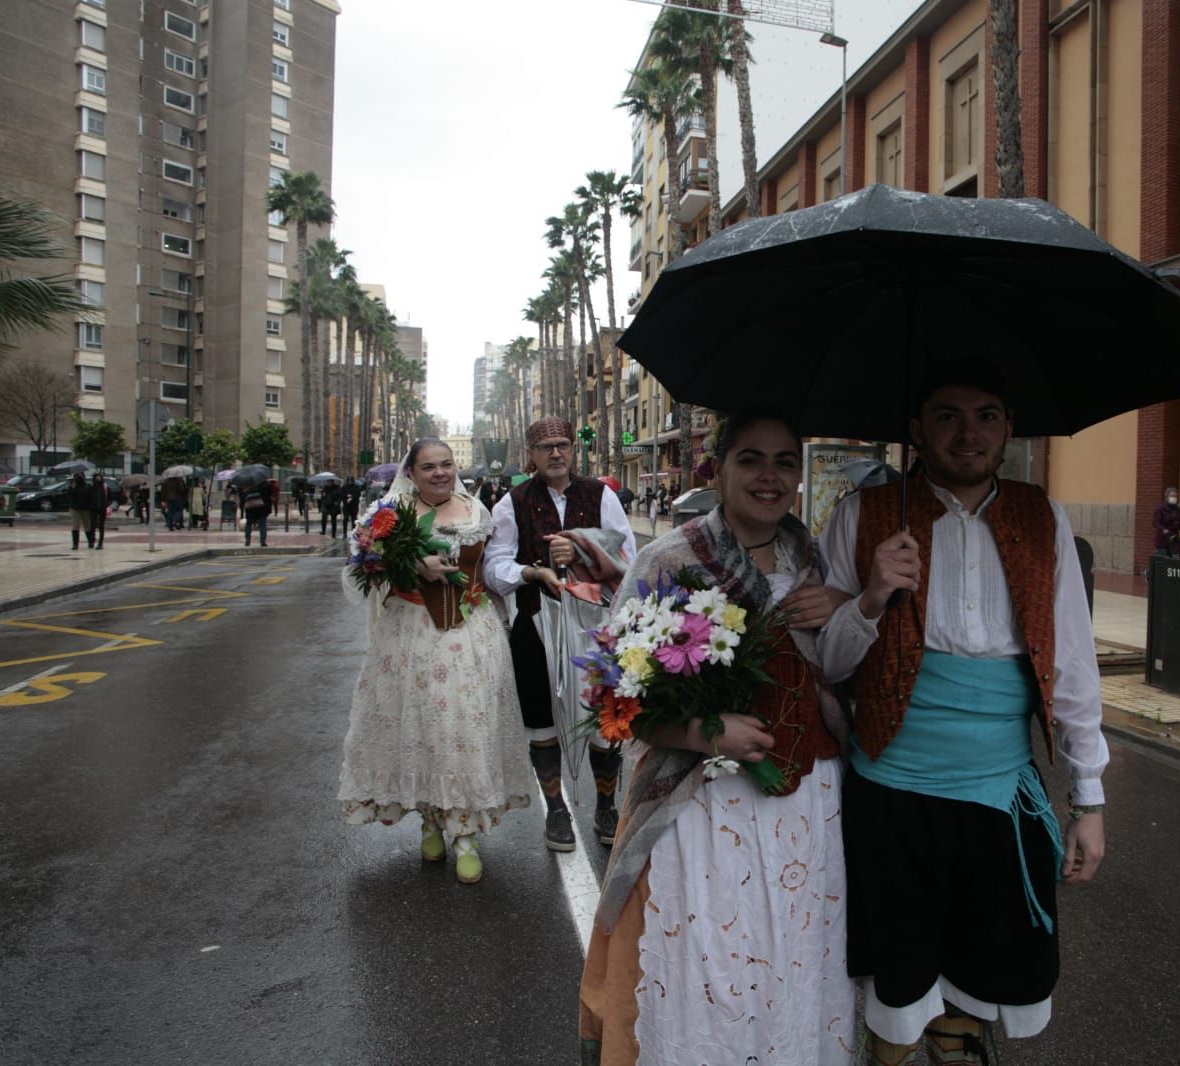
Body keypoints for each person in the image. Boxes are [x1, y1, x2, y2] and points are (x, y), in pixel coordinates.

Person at [818, 358, 1108, 1064]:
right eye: (946, 414)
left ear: (1008, 427)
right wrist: (872, 597)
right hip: (892, 792)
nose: (967, 433)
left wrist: (1089, 799)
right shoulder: (863, 516)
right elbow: (824, 664)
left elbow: (1069, 663)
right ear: (915, 429)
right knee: (899, 974)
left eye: (986, 415)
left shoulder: (1043, 516)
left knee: (982, 970)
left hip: (1000, 795)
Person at [579, 411, 855, 1064]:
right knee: (714, 967)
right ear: (718, 467)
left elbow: (844, 683)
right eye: (751, 459)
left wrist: (849, 608)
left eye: (785, 461)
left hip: (807, 807)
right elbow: (607, 698)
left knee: (792, 956)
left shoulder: (813, 560)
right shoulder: (669, 560)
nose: (769, 476)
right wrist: (707, 730)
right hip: (700, 811)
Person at [337, 438, 533, 884]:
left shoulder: (478, 512)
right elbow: (361, 567)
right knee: (424, 728)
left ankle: (464, 834)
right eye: (430, 467)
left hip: (471, 634)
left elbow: (492, 567)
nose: (440, 473)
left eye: (446, 464)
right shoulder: (387, 516)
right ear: (413, 471)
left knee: (463, 728)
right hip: (411, 632)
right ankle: (429, 819)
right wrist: (408, 563)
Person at [482, 417, 636, 853]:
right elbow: (494, 566)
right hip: (535, 626)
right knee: (542, 723)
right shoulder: (512, 502)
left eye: (563, 445)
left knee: (606, 722)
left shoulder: (601, 494)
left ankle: (606, 805)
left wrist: (583, 547)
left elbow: (628, 553)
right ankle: (556, 809)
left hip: (599, 628)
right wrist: (533, 570)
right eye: (545, 446)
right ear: (530, 453)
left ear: (573, 449)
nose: (555, 453)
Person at [1153, 485, 1180, 559]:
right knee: (1162, 559)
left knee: (1172, 560)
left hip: (1173, 540)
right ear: (1167, 497)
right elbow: (1156, 522)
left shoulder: (1176, 509)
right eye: (1172, 496)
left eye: (1176, 496)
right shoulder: (1160, 508)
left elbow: (1178, 524)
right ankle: (1149, 571)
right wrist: (1163, 529)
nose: (1174, 498)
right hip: (1162, 540)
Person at [241, 479, 272, 547]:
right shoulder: (263, 485)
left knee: (249, 524)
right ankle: (263, 541)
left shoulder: (246, 488)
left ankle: (248, 540)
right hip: (261, 508)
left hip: (250, 509)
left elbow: (243, 499)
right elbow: (268, 495)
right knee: (262, 525)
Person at [68, 470, 93, 550]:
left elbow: (90, 497)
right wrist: (72, 488)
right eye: (77, 476)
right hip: (75, 508)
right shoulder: (72, 486)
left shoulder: (88, 486)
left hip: (86, 509)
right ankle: (75, 544)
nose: (79, 477)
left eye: (80, 476)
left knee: (87, 526)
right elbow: (70, 497)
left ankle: (90, 542)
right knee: (75, 526)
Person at [87, 471, 110, 549]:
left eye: (99, 477)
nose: (98, 479)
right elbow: (88, 498)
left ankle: (100, 543)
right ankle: (91, 541)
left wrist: (107, 504)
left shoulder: (104, 487)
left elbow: (109, 496)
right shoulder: (91, 488)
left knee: (101, 526)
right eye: (96, 477)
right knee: (93, 525)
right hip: (93, 508)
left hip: (102, 508)